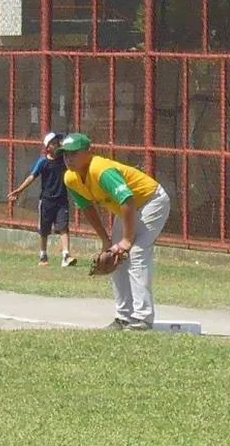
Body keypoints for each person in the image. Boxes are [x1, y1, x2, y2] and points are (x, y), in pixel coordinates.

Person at [58, 133, 171, 330]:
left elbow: (127, 200)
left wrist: (127, 240)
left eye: (74, 154)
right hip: (127, 209)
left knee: (135, 252)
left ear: (88, 152)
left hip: (151, 201)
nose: (69, 159)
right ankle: (123, 317)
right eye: (65, 155)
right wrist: (105, 240)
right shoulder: (70, 178)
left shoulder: (101, 171)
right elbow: (87, 208)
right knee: (114, 255)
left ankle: (142, 318)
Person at [7, 132, 77, 267]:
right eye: (54, 143)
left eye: (58, 142)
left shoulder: (64, 160)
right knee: (44, 230)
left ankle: (66, 256)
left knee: (63, 228)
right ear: (48, 147)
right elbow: (32, 177)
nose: (57, 144)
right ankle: (43, 255)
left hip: (61, 200)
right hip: (46, 201)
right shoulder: (43, 161)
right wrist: (19, 190)